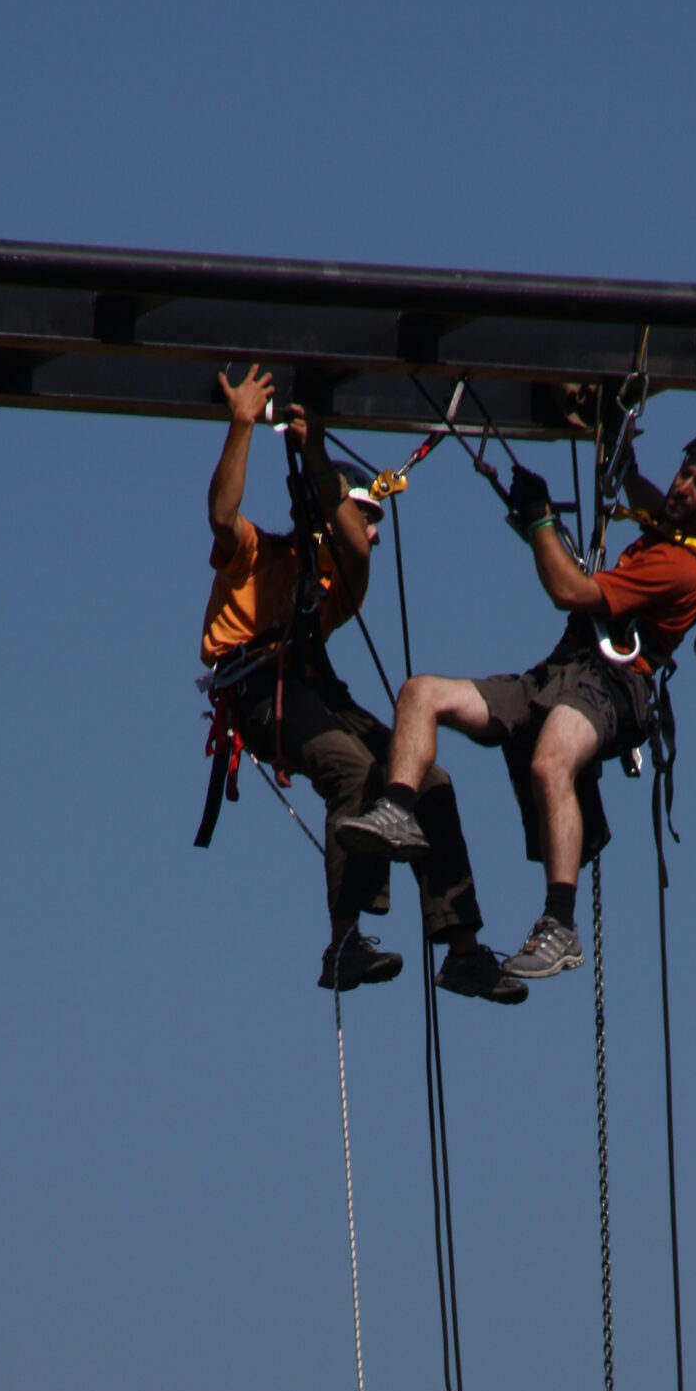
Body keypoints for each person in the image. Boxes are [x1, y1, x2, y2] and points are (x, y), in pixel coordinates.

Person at [332, 425, 696, 978]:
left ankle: (560, 923)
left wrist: (539, 521)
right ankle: (396, 810)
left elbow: (569, 590)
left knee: (550, 762)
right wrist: (625, 465)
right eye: (685, 473)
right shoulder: (675, 525)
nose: (682, 487)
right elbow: (651, 499)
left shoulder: (681, 567)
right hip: (559, 673)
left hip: (612, 687)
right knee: (421, 694)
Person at [198, 363, 526, 1003]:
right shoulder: (258, 557)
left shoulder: (341, 580)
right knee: (352, 771)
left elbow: (355, 547)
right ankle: (343, 942)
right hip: (261, 691)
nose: (373, 530)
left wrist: (318, 462)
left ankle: (462, 950)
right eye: (363, 515)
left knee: (428, 780)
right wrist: (242, 425)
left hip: (317, 691)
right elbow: (221, 513)